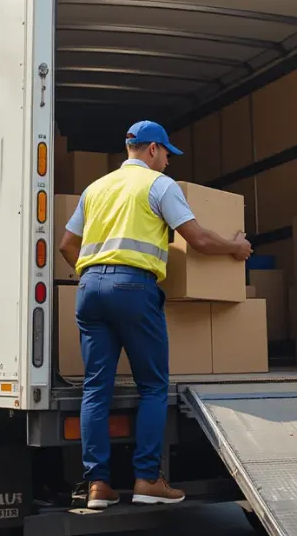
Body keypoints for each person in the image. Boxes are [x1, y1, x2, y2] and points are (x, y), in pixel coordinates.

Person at [59, 120, 252, 510]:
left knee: (96, 389)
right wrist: (235, 247)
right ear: (151, 149)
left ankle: (98, 485)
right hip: (133, 289)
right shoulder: (158, 185)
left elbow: (67, 245)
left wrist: (94, 273)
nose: (168, 162)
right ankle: (147, 479)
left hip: (89, 289)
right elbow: (197, 238)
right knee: (152, 386)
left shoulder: (95, 189)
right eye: (166, 154)